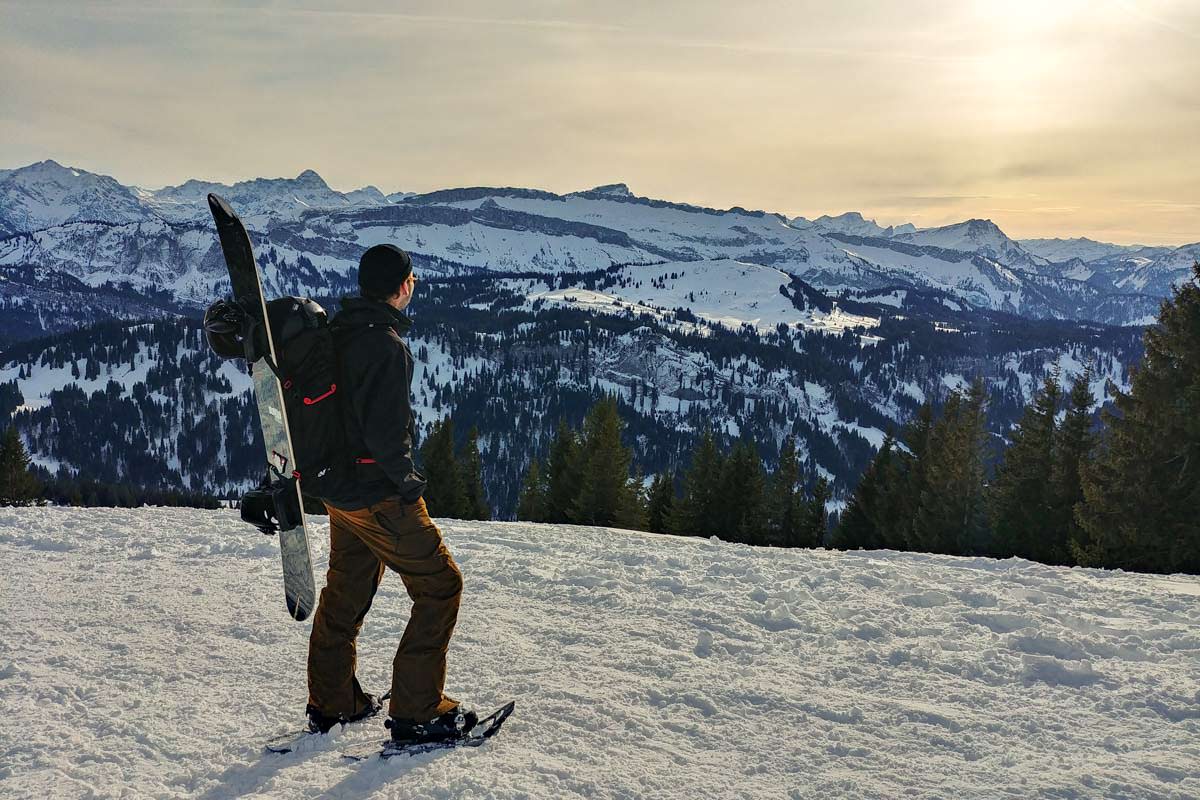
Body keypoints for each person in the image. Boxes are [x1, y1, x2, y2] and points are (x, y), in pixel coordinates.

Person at [304, 243, 476, 745]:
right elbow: (387, 436)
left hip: (339, 493)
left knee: (346, 590)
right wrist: (409, 483)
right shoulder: (385, 345)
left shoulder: (338, 332)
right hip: (378, 496)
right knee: (440, 586)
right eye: (412, 280)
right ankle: (417, 710)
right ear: (402, 287)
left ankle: (333, 701)